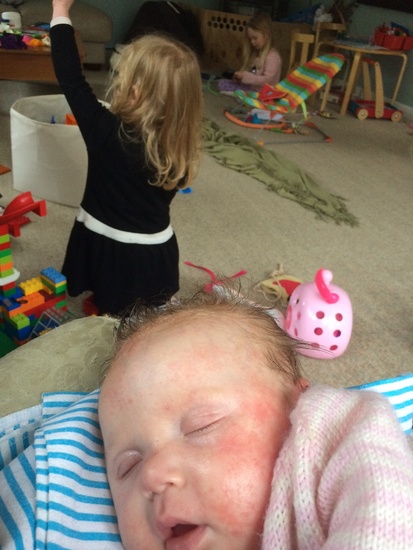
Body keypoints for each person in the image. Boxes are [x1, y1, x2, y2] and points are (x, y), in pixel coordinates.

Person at [99, 285, 413, 550]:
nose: (152, 474)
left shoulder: (339, 436)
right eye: (128, 466)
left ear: (297, 403)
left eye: (201, 425)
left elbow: (388, 514)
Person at [49, 0, 203, 315]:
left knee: (115, 318)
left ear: (133, 92)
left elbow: (71, 79)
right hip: (152, 254)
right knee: (135, 313)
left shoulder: (104, 130)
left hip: (103, 242)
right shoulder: (181, 147)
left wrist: (60, 12)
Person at [217, 12, 282, 94]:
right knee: (222, 83)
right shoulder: (257, 54)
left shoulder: (273, 56)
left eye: (255, 38)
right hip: (252, 87)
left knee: (230, 87)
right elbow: (253, 72)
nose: (252, 42)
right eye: (250, 39)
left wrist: (250, 78)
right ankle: (241, 94)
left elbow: (269, 80)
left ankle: (241, 95)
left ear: (266, 36)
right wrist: (240, 77)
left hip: (264, 92)